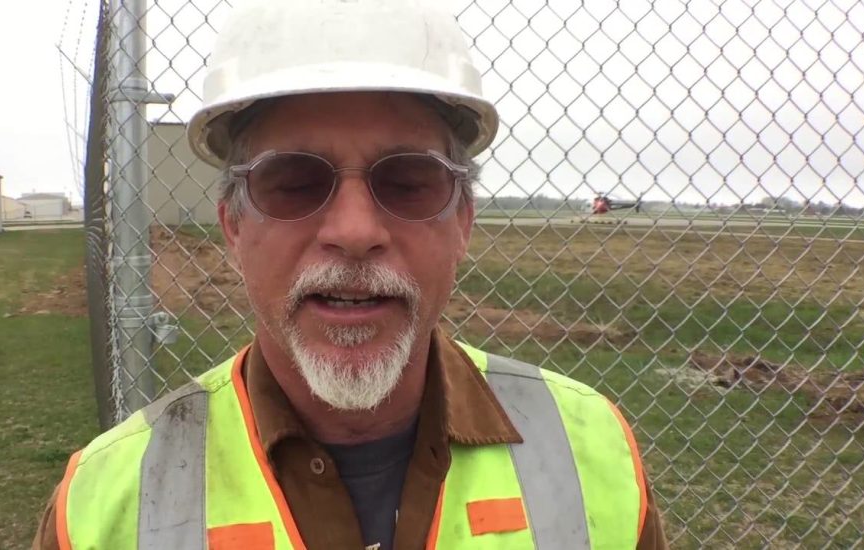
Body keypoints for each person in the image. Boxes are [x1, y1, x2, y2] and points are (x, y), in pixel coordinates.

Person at [34, 0, 668, 548]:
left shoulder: (593, 454)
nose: (356, 231)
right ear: (232, 224)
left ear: (463, 222)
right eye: (296, 183)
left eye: (409, 182)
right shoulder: (102, 505)